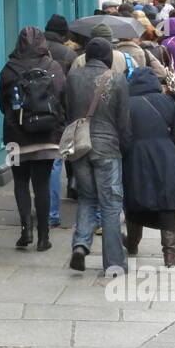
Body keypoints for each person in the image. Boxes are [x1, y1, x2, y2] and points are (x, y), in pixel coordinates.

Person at [66, 38, 132, 275]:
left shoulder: (72, 77)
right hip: (107, 147)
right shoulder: (117, 79)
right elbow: (124, 121)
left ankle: (81, 245)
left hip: (80, 145)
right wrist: (125, 148)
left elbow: (67, 110)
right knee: (111, 204)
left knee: (87, 198)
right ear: (107, 57)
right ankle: (114, 262)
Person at [0, 27, 66, 251]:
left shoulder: (8, 70)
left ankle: (25, 230)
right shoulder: (53, 66)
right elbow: (61, 98)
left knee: (20, 182)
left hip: (16, 140)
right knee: (42, 185)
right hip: (47, 138)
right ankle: (44, 237)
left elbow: (2, 104)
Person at [121, 67, 175, 268]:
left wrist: (127, 155)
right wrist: (171, 153)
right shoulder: (167, 101)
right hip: (166, 155)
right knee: (169, 203)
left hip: (136, 157)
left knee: (135, 200)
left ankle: (132, 244)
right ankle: (170, 254)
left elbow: (123, 136)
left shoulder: (127, 104)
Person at [44, 15, 77, 229]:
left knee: (42, 165)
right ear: (64, 33)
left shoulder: (33, 50)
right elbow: (72, 88)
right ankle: (53, 212)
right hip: (60, 115)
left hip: (32, 116)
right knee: (59, 160)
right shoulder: (68, 54)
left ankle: (46, 211)